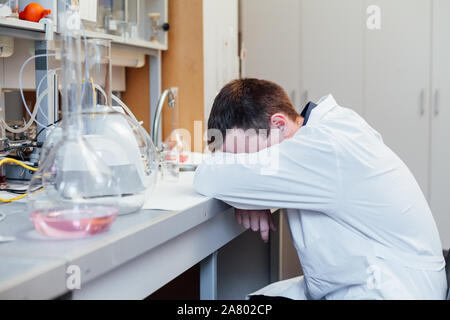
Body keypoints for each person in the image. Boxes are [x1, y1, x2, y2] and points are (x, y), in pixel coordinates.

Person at [194, 78, 448, 300]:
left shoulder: (323, 147)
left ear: (279, 125)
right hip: (370, 276)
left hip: (392, 289)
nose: (246, 165)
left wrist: (244, 188)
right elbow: (229, 176)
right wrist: (248, 194)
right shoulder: (324, 132)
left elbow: (208, 176)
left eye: (246, 156)